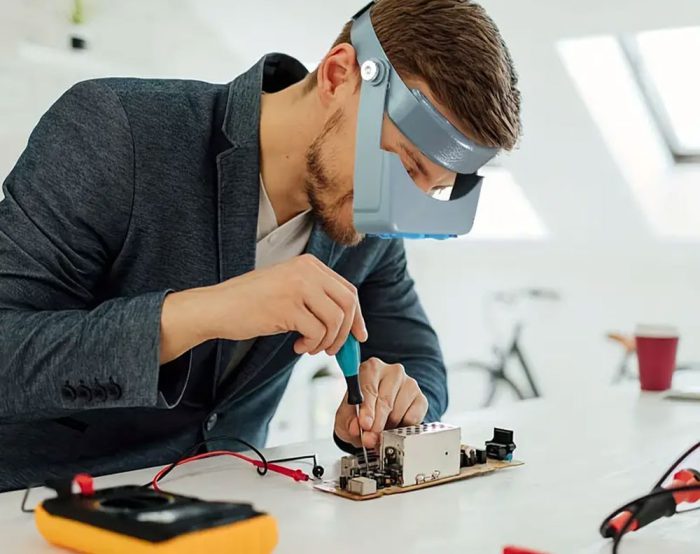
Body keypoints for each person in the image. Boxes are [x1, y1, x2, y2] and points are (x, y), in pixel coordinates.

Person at [0, 0, 521, 491]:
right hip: (39, 511)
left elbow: (419, 361)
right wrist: (203, 312)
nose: (400, 209)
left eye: (428, 187)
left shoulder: (363, 222)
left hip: (237, 512)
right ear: (340, 75)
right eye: (406, 165)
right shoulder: (117, 130)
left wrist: (394, 405)